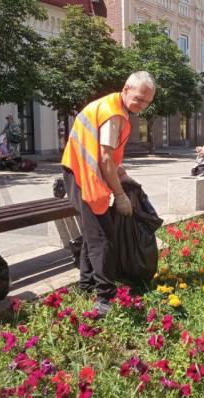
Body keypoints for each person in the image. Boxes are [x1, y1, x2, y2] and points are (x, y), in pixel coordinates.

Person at [61, 71, 156, 315]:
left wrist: (122, 174)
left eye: (146, 102)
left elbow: (109, 158)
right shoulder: (114, 113)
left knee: (93, 234)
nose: (141, 106)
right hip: (85, 176)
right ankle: (104, 299)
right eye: (138, 99)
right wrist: (121, 196)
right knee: (104, 238)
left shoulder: (113, 106)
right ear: (126, 89)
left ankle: (85, 285)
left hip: (79, 171)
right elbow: (104, 158)